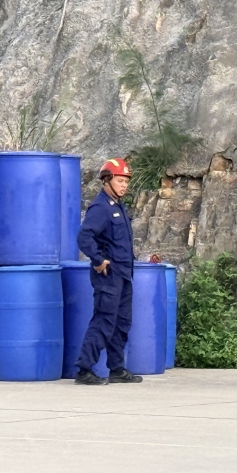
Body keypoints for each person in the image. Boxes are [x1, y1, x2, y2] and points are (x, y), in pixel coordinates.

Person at [73, 158, 142, 385]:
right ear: (106, 181)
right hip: (109, 276)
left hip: (124, 274)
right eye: (120, 181)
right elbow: (85, 237)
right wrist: (98, 259)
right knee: (103, 321)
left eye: (126, 182)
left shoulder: (118, 206)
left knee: (121, 323)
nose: (124, 186)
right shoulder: (100, 207)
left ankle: (117, 369)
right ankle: (84, 370)